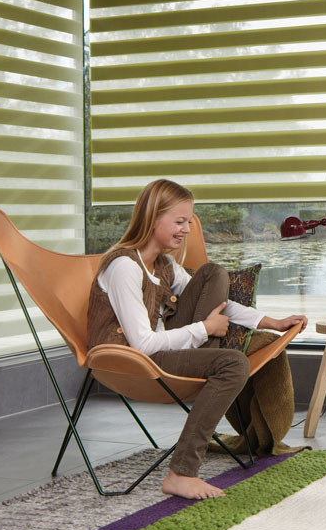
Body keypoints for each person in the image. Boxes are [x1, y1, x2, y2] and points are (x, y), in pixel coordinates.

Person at [87, 179, 307, 500]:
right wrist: (205, 328)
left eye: (188, 221)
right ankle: (181, 473)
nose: (187, 229)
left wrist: (272, 322)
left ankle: (213, 366)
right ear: (152, 219)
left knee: (213, 273)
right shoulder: (124, 267)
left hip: (165, 348)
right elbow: (143, 345)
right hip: (131, 358)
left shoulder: (163, 265)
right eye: (179, 221)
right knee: (232, 364)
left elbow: (219, 301)